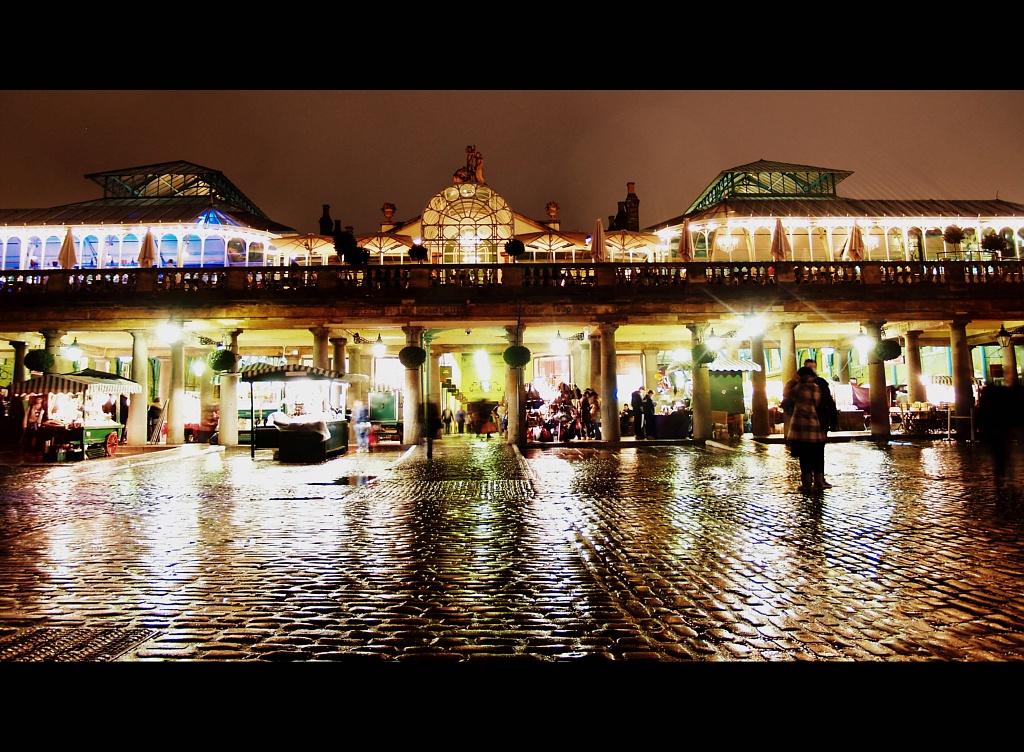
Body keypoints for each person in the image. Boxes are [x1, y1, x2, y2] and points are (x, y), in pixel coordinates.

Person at [785, 358, 838, 486]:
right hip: (817, 425)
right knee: (818, 454)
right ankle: (819, 481)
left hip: (802, 428)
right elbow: (827, 403)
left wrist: (792, 380)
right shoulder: (818, 387)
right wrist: (833, 421)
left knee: (805, 456)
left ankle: (807, 484)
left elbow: (786, 395)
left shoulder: (798, 388)